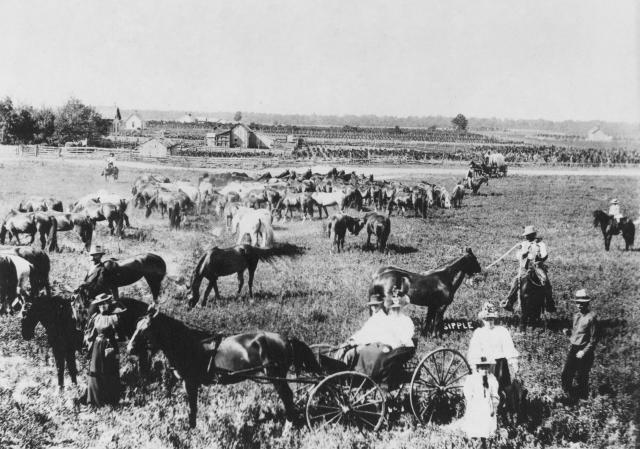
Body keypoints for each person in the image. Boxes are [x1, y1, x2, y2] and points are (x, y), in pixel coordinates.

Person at [79, 293, 125, 407]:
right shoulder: (96, 317)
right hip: (98, 345)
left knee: (110, 370)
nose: (103, 306)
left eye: (105, 303)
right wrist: (89, 346)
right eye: (100, 304)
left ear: (108, 304)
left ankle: (111, 400)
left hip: (110, 345)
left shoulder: (114, 317)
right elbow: (91, 333)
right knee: (95, 371)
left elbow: (120, 333)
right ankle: (94, 400)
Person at [468, 302, 519, 396]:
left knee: (506, 388)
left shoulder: (501, 331)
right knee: (486, 389)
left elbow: (508, 347)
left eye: (491, 319)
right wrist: (473, 366)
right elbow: (474, 350)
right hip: (485, 365)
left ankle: (509, 405)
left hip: (500, 364)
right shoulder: (479, 333)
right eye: (487, 319)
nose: (489, 322)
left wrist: (513, 362)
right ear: (483, 320)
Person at [502, 225, 555, 313]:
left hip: (537, 267)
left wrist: (540, 257)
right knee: (516, 281)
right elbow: (518, 256)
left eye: (529, 235)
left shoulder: (541, 244)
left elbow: (545, 254)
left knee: (545, 280)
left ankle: (550, 303)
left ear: (533, 234)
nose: (526, 237)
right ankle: (509, 301)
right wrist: (523, 254)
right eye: (526, 235)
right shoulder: (523, 244)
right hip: (525, 268)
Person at [561, 289, 598, 401]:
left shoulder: (591, 318)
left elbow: (594, 339)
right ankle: (567, 395)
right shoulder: (576, 316)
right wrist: (568, 333)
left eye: (582, 303)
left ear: (587, 303)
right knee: (566, 373)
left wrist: (584, 351)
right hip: (574, 348)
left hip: (584, 351)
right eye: (578, 303)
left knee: (581, 376)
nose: (579, 305)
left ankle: (583, 399)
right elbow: (576, 334)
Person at [459, 355, 501, 446]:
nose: (484, 370)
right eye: (482, 367)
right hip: (475, 406)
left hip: (487, 407)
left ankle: (484, 443)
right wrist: (472, 404)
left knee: (486, 429)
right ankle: (474, 443)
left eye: (486, 367)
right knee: (475, 428)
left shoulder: (492, 379)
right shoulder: (472, 379)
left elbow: (495, 395)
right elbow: (467, 393)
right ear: (478, 368)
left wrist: (493, 407)